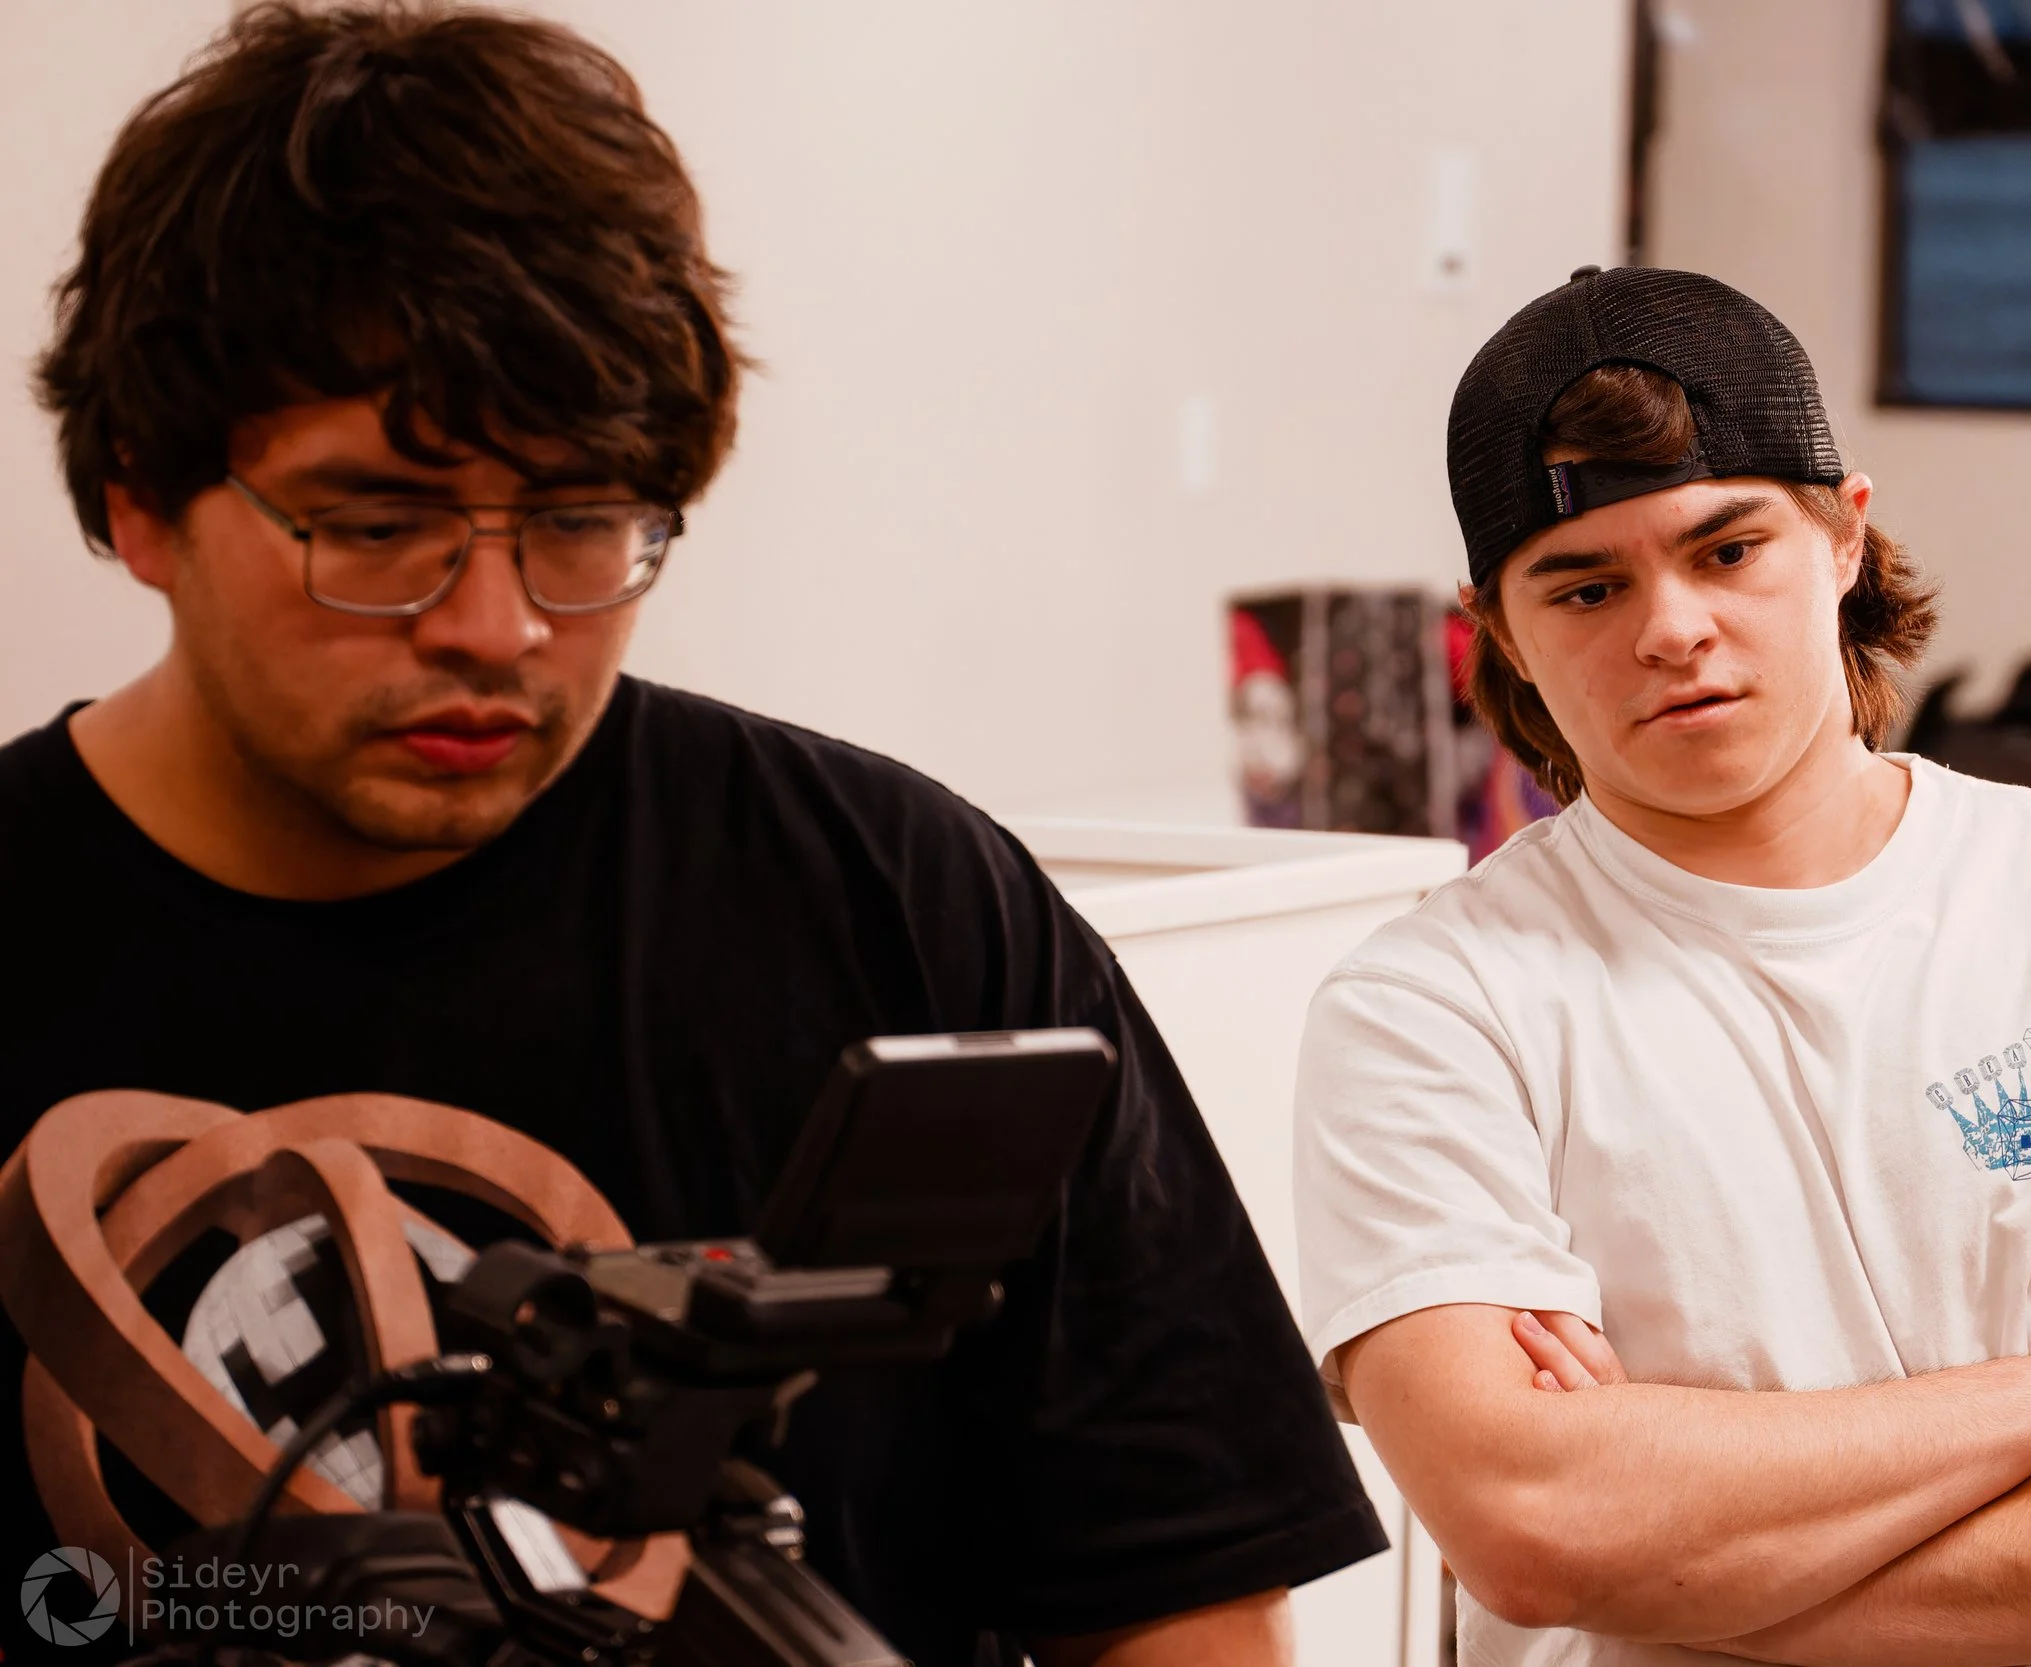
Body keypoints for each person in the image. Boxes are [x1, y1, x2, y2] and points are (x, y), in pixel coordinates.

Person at [0, 7, 1386, 1664]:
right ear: (140, 494)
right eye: (376, 527)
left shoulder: (909, 909)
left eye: (582, 521)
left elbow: (1182, 1610)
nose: (499, 626)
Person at [1292, 266, 2031, 1667]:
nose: (1671, 628)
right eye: (1586, 585)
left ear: (1843, 536)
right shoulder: (1429, 1010)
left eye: (1727, 550)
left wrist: (1679, 1549)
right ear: (1499, 629)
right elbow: (1536, 1529)